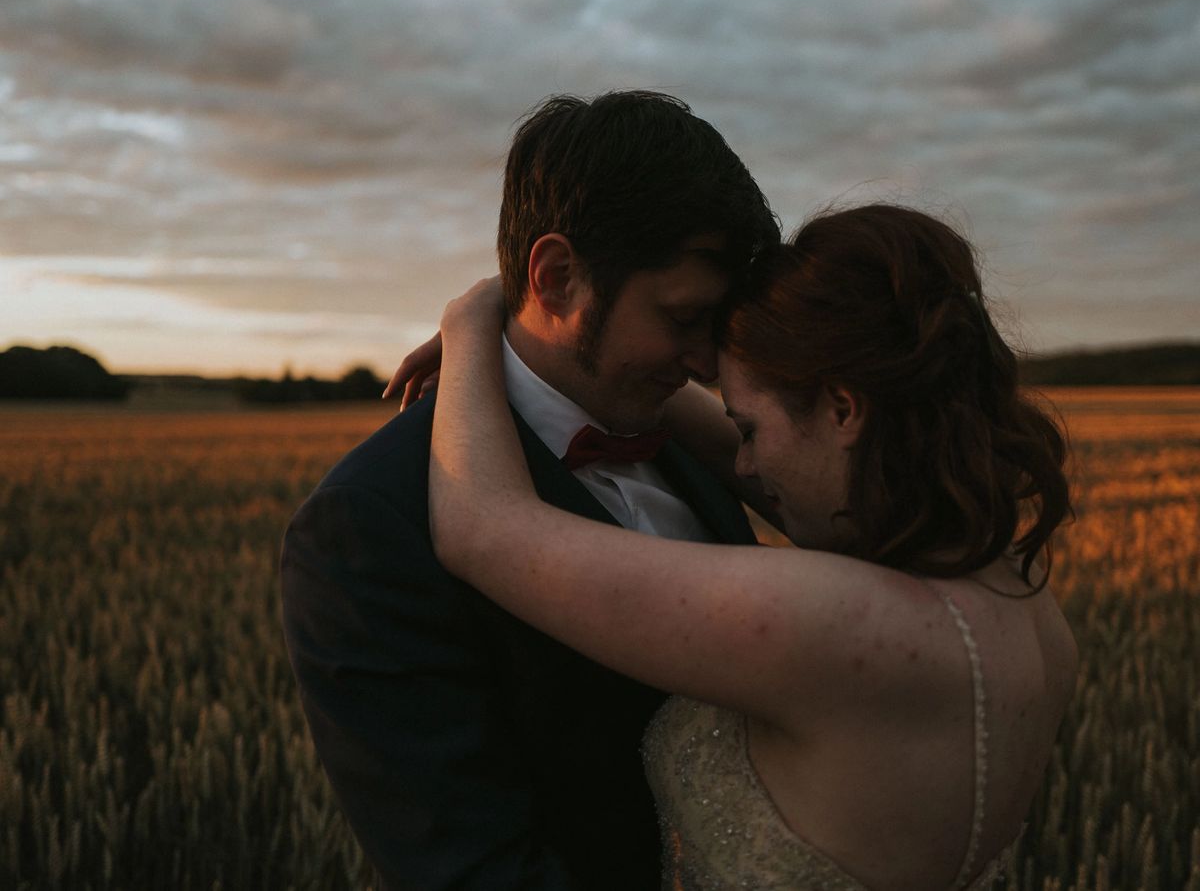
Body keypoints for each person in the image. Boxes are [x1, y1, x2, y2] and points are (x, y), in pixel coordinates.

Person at [412, 204, 1079, 890]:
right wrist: (553, 331)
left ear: (845, 409)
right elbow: (742, 437)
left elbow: (481, 527)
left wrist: (479, 316)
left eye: (752, 430)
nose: (746, 465)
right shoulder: (1028, 610)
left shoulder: (844, 628)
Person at [280, 90, 779, 890]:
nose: (709, 365)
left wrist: (480, 310)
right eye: (685, 318)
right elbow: (473, 868)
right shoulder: (369, 524)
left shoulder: (703, 445)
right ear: (555, 277)